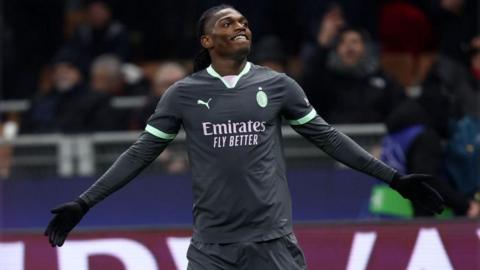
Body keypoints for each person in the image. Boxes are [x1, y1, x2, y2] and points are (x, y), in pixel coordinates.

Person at [45, 5, 444, 269]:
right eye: (228, 22)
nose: (241, 26)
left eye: (244, 22)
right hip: (212, 251)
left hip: (273, 245)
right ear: (206, 41)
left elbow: (330, 139)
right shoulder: (183, 94)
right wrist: (85, 203)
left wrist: (394, 178)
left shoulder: (279, 86)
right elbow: (140, 153)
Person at [302, 27, 405, 123]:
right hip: (336, 140)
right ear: (336, 50)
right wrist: (322, 47)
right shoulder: (325, 82)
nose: (349, 47)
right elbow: (306, 89)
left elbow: (401, 108)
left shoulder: (383, 80)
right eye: (343, 42)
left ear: (366, 48)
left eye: (355, 42)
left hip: (376, 140)